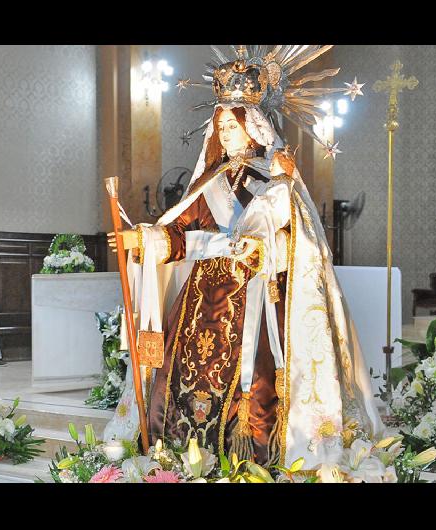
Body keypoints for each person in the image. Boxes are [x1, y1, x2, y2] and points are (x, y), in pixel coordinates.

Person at [105, 45, 383, 469]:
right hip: (201, 300)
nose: (225, 134)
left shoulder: (276, 176)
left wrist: (267, 231)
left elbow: (298, 240)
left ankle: (253, 458)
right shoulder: (210, 180)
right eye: (220, 127)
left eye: (232, 126)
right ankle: (177, 452)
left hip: (253, 297)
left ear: (254, 126)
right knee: (176, 375)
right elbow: (183, 232)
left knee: (259, 380)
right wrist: (143, 241)